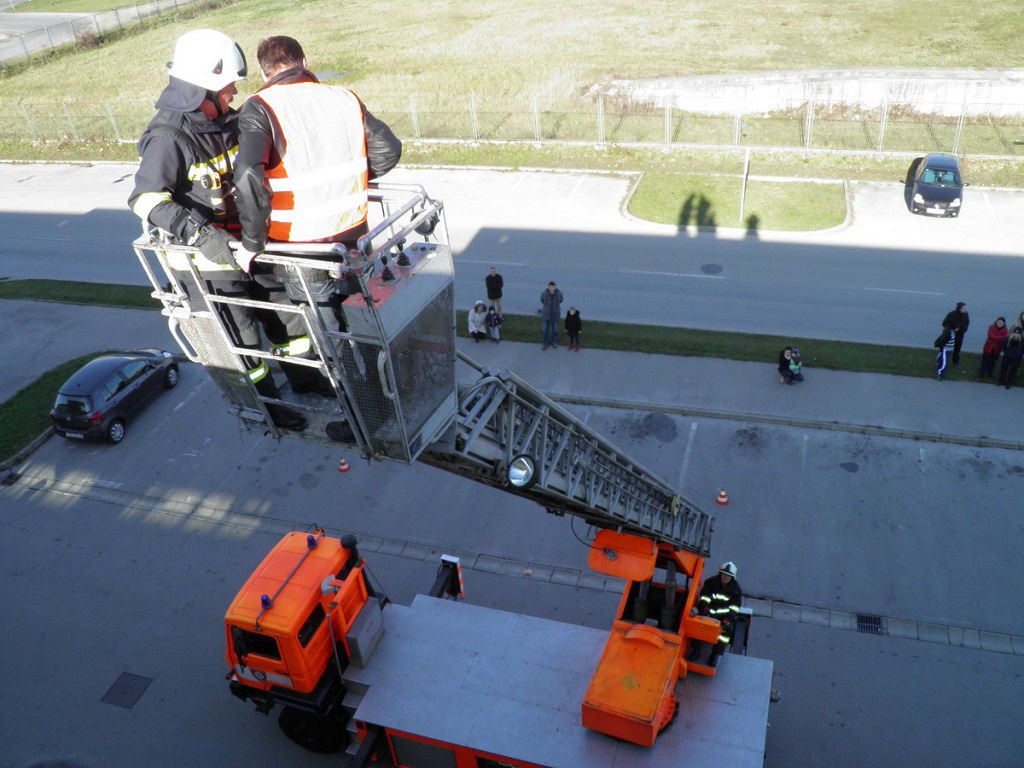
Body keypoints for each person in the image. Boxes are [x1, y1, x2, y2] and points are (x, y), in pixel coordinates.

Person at [128, 28, 306, 432]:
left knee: (288, 318)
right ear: (202, 87)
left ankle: (307, 379)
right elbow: (145, 199)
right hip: (209, 265)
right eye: (228, 86)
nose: (234, 92)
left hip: (249, 247)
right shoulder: (168, 136)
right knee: (245, 343)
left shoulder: (227, 122)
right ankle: (270, 409)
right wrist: (203, 235)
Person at [233, 35, 402, 417]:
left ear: (264, 72)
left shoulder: (260, 106)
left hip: (301, 248)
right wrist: (352, 181)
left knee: (332, 338)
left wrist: (252, 242)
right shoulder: (343, 96)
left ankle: (364, 414)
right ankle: (383, 395)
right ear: (304, 61)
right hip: (354, 237)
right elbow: (388, 149)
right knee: (365, 320)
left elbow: (247, 175)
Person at [696, 561, 743, 667]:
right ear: (720, 573)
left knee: (726, 632)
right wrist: (705, 608)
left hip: (724, 617)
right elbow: (704, 598)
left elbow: (735, 608)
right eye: (724, 574)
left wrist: (727, 619)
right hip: (708, 612)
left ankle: (715, 655)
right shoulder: (710, 582)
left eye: (728, 575)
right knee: (698, 626)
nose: (725, 577)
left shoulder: (736, 590)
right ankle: (696, 651)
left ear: (732, 577)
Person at [942, 302, 970, 366]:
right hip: (950, 335)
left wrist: (964, 330)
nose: (965, 310)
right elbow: (944, 323)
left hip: (960, 335)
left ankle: (955, 361)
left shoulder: (966, 314)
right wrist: (952, 328)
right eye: (964, 308)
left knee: (957, 349)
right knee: (946, 349)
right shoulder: (951, 314)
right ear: (959, 309)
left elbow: (967, 323)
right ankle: (942, 360)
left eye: (966, 308)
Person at [539, 281, 563, 349]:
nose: (552, 289)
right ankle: (545, 343)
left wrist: (558, 293)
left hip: (555, 315)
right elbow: (542, 300)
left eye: (553, 287)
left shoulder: (559, 294)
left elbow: (561, 300)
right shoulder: (544, 294)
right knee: (544, 330)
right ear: (548, 287)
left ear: (555, 287)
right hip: (546, 315)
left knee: (555, 330)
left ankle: (554, 342)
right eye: (550, 287)